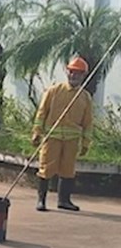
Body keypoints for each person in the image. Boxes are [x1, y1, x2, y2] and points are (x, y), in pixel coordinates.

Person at [31, 56, 93, 212]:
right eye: (71, 72)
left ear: (83, 76)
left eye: (77, 73)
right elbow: (41, 113)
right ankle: (41, 200)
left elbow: (88, 123)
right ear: (67, 72)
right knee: (46, 168)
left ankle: (64, 201)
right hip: (52, 137)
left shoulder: (85, 97)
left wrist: (86, 143)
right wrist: (37, 132)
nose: (74, 76)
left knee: (68, 170)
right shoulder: (53, 91)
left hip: (72, 140)